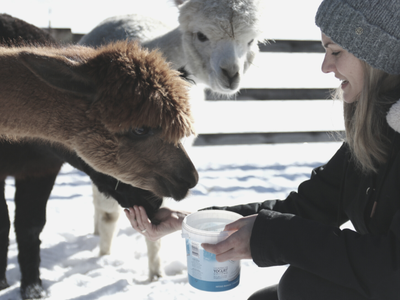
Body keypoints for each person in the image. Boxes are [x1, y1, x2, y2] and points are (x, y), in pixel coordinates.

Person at [125, 0, 400, 299]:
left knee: (301, 288)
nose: (325, 66)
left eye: (336, 51)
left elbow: (392, 266)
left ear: (377, 55)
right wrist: (200, 223)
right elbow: (308, 208)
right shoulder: (377, 134)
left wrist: (271, 236)